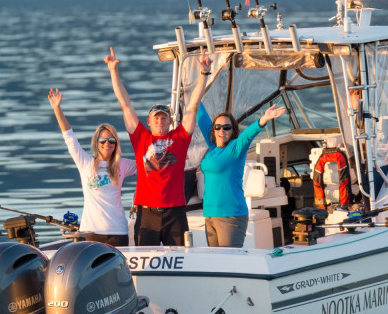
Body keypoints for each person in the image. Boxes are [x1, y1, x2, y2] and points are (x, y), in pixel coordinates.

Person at [104, 46, 209, 246]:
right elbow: (125, 104)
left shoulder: (180, 137)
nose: (160, 121)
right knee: (146, 262)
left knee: (180, 261)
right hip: (147, 213)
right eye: (156, 118)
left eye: (164, 118)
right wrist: (113, 72)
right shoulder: (140, 137)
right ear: (149, 121)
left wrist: (204, 73)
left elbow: (193, 106)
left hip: (175, 212)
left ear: (170, 122)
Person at [48, 88, 136, 246]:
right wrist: (57, 109)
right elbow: (69, 137)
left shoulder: (122, 164)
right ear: (97, 143)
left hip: (118, 232)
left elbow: (149, 165)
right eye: (103, 141)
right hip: (90, 232)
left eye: (111, 141)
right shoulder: (85, 162)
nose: (107, 144)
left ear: (116, 144)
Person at [197, 103, 286, 247]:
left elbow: (249, 134)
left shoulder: (236, 148)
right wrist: (192, 95)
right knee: (216, 263)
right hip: (210, 215)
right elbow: (201, 118)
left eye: (227, 127)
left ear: (233, 131)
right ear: (213, 130)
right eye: (218, 127)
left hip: (231, 216)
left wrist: (264, 119)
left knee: (229, 263)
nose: (222, 130)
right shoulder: (213, 147)